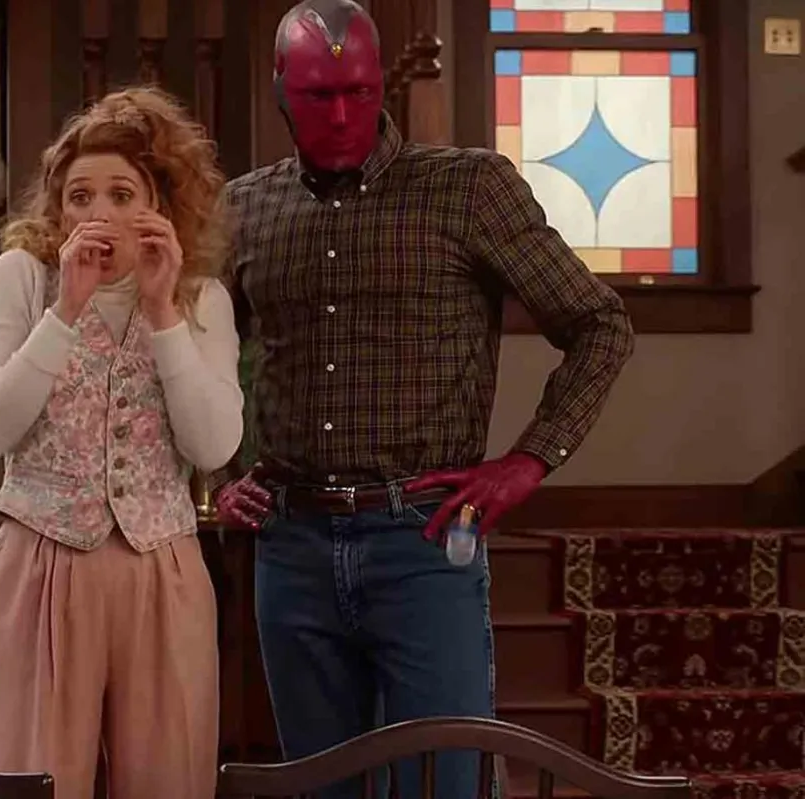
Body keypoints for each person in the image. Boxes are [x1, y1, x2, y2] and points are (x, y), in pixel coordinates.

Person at [212, 1, 635, 797]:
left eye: (360, 92)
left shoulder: (468, 188)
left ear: (382, 84)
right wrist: (222, 473)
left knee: (444, 782)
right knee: (319, 785)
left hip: (424, 537)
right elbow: (195, 357)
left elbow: (600, 324)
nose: (344, 115)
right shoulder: (243, 208)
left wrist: (528, 460)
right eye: (319, 95)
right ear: (280, 90)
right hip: (291, 543)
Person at [0, 86, 243, 799]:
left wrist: (162, 310)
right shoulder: (22, 278)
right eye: (79, 196)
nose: (99, 213)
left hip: (163, 569)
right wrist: (65, 309)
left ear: (160, 206)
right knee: (34, 780)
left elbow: (214, 446)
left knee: (169, 782)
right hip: (40, 562)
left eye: (122, 194)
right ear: (58, 211)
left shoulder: (199, 298)